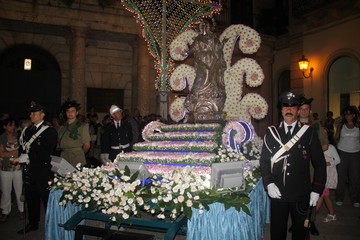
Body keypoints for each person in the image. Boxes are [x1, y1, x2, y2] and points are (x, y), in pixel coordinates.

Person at [260, 91, 326, 240]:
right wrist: (269, 183)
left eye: (292, 107)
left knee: (301, 233)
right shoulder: (271, 132)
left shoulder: (308, 132)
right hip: (278, 192)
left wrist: (316, 190)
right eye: (285, 107)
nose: (289, 110)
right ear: (281, 110)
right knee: (277, 232)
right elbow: (264, 161)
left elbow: (320, 164)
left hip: (301, 193)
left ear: (297, 110)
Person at [17, 101, 58, 234]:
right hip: (30, 171)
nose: (31, 115)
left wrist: (29, 157)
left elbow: (46, 152)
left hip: (43, 172)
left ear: (42, 115)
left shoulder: (49, 131)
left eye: (34, 113)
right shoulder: (28, 130)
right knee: (31, 199)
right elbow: (23, 148)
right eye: (31, 113)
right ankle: (33, 223)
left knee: (46, 200)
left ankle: (50, 226)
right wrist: (20, 158)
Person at [184, 19, 226, 121]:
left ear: (209, 27)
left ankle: (211, 93)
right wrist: (186, 52)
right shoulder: (198, 39)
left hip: (212, 61)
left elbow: (218, 48)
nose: (204, 28)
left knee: (212, 78)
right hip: (202, 60)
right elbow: (192, 49)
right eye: (203, 26)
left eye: (206, 26)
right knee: (202, 75)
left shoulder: (213, 38)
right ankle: (198, 94)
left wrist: (223, 43)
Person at [334, 105, 360, 208]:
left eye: (350, 114)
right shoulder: (341, 125)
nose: (348, 116)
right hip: (343, 153)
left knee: (355, 177)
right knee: (341, 176)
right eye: (346, 114)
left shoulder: (358, 126)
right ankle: (339, 197)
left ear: (354, 115)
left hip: (355, 154)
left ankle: (356, 199)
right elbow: (336, 138)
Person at [0, 118, 23, 222]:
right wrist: (14, 153)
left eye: (13, 125)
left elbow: (20, 152)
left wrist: (7, 153)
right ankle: (5, 211)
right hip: (5, 168)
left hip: (17, 167)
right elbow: (1, 154)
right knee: (6, 191)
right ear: (5, 126)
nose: (12, 127)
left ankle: (21, 210)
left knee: (19, 190)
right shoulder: (2, 138)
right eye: (10, 125)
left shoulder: (18, 136)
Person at [316, 128, 340, 223]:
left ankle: (311, 216)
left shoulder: (330, 147)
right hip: (320, 173)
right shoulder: (317, 146)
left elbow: (338, 160)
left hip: (328, 174)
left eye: (325, 134)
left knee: (322, 195)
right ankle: (332, 214)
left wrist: (327, 163)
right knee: (325, 196)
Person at [57, 99, 91, 167]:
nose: (70, 113)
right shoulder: (62, 127)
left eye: (73, 110)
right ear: (65, 113)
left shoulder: (82, 126)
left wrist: (79, 154)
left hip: (76, 157)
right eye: (68, 111)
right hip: (64, 156)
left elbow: (87, 145)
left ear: (77, 113)